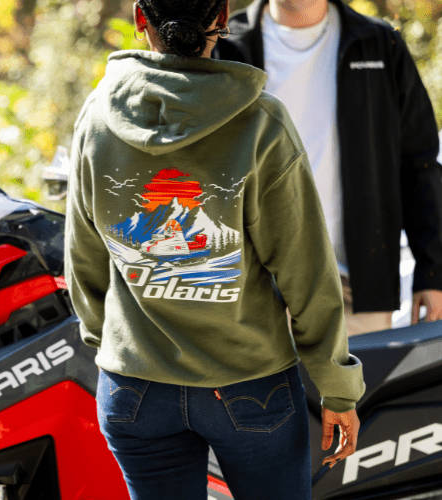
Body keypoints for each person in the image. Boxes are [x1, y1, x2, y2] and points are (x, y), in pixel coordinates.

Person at [65, 0, 365, 498]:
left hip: (134, 389)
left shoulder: (97, 117)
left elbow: (83, 257)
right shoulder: (260, 122)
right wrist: (337, 386)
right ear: (222, 17)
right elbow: (306, 271)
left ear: (140, 18)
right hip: (250, 384)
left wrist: (111, 345)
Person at [213, 0, 442, 335]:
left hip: (357, 287)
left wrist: (432, 273)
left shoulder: (379, 43)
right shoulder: (225, 46)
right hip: (253, 288)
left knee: (365, 374)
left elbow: (418, 161)